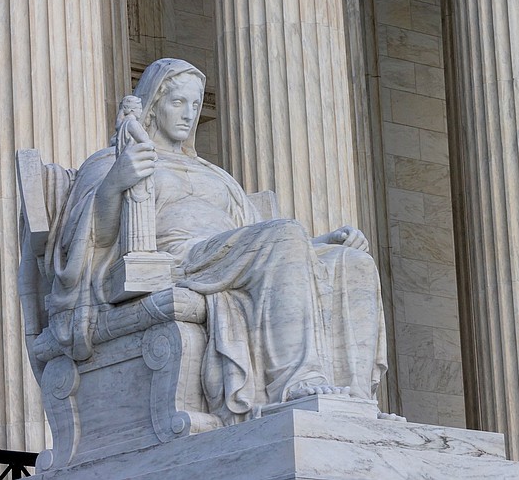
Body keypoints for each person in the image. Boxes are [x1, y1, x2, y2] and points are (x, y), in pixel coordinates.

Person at [46, 58, 386, 425]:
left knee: (351, 262)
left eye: (195, 105)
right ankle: (296, 383)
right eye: (177, 102)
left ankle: (354, 398)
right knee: (284, 235)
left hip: (229, 255)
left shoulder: (215, 173)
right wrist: (116, 180)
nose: (189, 114)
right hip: (178, 259)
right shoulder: (113, 159)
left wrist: (320, 243)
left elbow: (264, 238)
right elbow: (84, 240)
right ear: (154, 103)